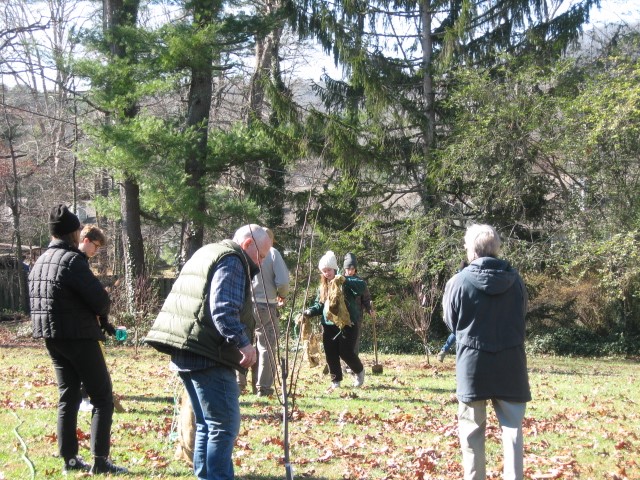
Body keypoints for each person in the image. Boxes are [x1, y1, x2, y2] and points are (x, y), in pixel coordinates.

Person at [145, 224, 271, 480]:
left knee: (206, 424)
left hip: (187, 347)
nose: (261, 261)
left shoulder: (209, 251)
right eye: (261, 255)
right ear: (248, 245)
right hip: (207, 352)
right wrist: (244, 343)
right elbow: (223, 309)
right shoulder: (233, 260)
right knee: (224, 425)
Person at [29, 204, 127, 475]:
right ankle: (101, 460)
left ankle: (69, 459)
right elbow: (100, 300)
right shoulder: (72, 260)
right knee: (102, 398)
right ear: (74, 233)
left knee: (68, 397)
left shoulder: (40, 262)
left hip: (52, 337)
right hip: (79, 337)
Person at [442, 224, 531, 480]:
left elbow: (451, 321)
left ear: (471, 250)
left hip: (473, 364)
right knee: (513, 431)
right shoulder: (516, 281)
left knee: (471, 432)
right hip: (511, 363)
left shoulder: (458, 281)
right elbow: (522, 312)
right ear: (496, 248)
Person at [303, 251, 367, 388]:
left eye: (329, 270)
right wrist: (309, 312)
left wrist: (346, 280)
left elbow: (361, 286)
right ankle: (335, 381)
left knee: (346, 352)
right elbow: (319, 305)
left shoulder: (343, 282)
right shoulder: (322, 287)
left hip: (347, 324)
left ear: (335, 269)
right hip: (328, 325)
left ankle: (359, 371)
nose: (327, 273)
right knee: (330, 353)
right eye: (324, 271)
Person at [251, 228, 289, 397]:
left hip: (246, 305)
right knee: (267, 346)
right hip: (266, 305)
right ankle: (263, 387)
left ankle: (239, 383)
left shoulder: (247, 252)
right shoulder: (273, 253)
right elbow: (283, 281)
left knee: (243, 344)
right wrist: (282, 295)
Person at [77, 225, 108, 411]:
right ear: (86, 240)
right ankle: (83, 397)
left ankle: (83, 396)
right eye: (95, 246)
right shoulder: (76, 260)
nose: (96, 251)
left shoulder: (83, 261)